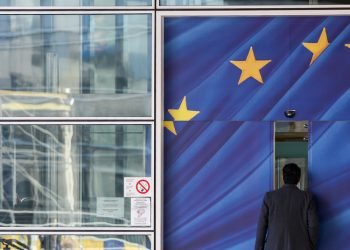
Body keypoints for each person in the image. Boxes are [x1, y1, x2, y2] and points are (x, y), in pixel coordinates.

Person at [255, 163, 319, 250]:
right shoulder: (308, 198)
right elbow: (313, 226)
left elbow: (261, 227)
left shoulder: (269, 197)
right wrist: (310, 245)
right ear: (298, 178)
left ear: (283, 177)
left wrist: (258, 248)